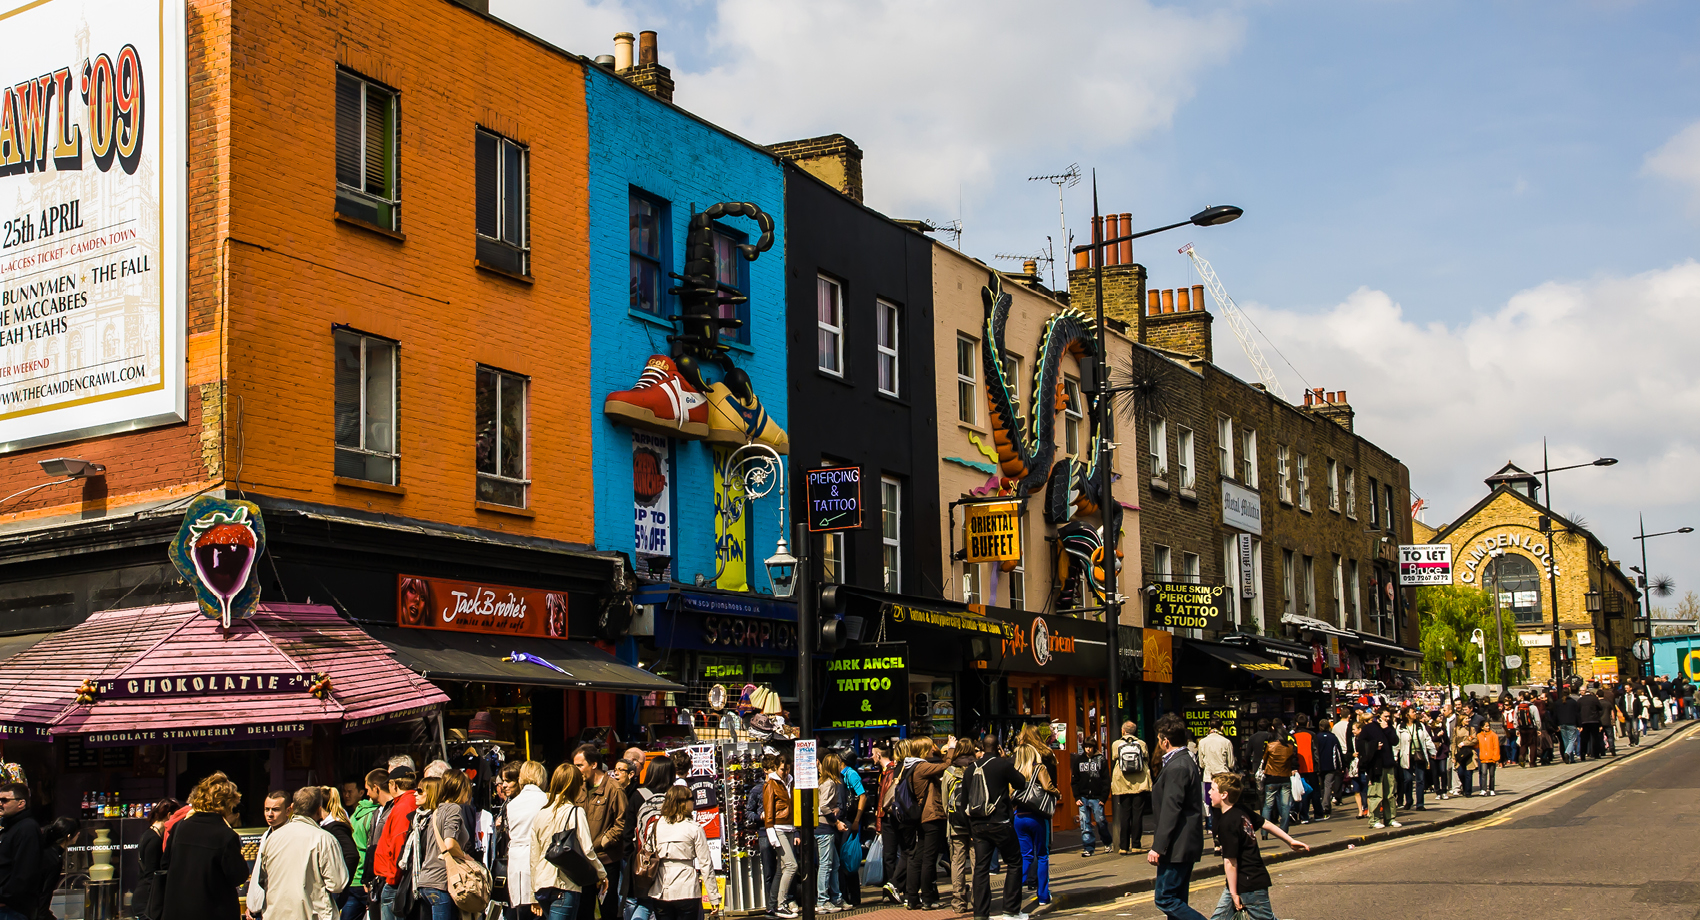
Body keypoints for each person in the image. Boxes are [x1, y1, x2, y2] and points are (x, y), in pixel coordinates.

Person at [1207, 773, 1309, 920]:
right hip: (1240, 881)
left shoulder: (1227, 823)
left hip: (1249, 883)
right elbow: (1265, 823)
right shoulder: (1240, 810)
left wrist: (1235, 894)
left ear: (1224, 795)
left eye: (1212, 789)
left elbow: (1230, 862)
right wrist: (1290, 841)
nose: (1209, 792)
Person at [251, 786, 349, 920]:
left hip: (275, 914)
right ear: (319, 810)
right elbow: (337, 884)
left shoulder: (272, 838)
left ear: (292, 807)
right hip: (311, 914)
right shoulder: (324, 839)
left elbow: (263, 879)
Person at [162, 773, 248, 920]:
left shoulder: (180, 827)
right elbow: (238, 876)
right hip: (212, 912)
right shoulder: (226, 835)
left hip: (177, 911)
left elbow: (165, 863)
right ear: (227, 804)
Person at [1147, 714, 1206, 920]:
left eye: (1158, 738)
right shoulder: (1183, 761)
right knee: (1178, 900)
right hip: (1181, 843)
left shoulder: (1178, 766)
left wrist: (1158, 846)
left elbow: (1172, 808)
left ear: (1165, 740)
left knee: (1165, 898)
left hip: (1177, 845)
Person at [532, 762, 608, 920]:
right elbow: (587, 849)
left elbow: (534, 856)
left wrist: (533, 890)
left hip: (542, 885)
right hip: (564, 884)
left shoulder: (540, 813)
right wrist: (601, 874)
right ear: (575, 786)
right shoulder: (575, 812)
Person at [964, 733, 1024, 920]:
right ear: (998, 748)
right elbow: (1020, 782)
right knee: (1014, 862)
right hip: (1000, 823)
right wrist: (1006, 760)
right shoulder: (1003, 765)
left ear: (982, 748)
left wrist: (970, 829)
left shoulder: (970, 769)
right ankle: (1011, 911)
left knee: (981, 868)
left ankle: (980, 914)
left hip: (978, 826)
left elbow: (964, 802)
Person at [640, 787, 718, 920]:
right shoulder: (694, 828)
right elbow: (706, 864)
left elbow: (648, 853)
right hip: (686, 887)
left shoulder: (656, 826)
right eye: (691, 799)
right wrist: (714, 898)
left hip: (661, 888)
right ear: (683, 802)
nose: (693, 802)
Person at [572, 745, 629, 920]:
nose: (577, 770)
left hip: (606, 858)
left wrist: (604, 841)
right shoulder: (578, 788)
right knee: (584, 909)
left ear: (594, 764)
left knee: (608, 909)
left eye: (580, 765)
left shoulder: (613, 789)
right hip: (583, 859)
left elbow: (622, 822)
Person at [416, 769, 475, 920]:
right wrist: (466, 857)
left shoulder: (437, 810)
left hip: (426, 881)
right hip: (441, 882)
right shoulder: (453, 809)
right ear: (461, 789)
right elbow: (449, 843)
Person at [903, 737, 949, 910]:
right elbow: (946, 765)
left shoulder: (910, 766)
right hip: (931, 816)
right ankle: (928, 898)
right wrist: (950, 748)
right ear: (924, 750)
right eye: (931, 747)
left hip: (921, 816)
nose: (934, 748)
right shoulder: (922, 766)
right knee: (929, 859)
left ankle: (913, 897)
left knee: (918, 857)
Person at [1012, 742, 1058, 908]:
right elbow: (1047, 786)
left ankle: (1014, 893)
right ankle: (1043, 896)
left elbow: (1010, 794)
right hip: (1037, 817)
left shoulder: (1015, 770)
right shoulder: (1040, 768)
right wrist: (1057, 793)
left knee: (1025, 856)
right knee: (1042, 855)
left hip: (1019, 818)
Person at [505, 761, 550, 917]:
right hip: (538, 860)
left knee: (521, 912)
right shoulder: (546, 800)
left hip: (517, 861)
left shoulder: (512, 804)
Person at [373, 766, 418, 920]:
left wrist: (392, 879)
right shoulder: (408, 802)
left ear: (394, 785)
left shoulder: (403, 806)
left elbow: (399, 844)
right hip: (398, 879)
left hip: (395, 881)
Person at [761, 753, 800, 919]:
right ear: (776, 768)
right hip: (778, 827)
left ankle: (772, 906)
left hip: (789, 827)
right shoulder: (771, 784)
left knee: (782, 869)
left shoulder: (790, 781)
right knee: (791, 865)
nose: (785, 772)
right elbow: (769, 810)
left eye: (787, 768)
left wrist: (796, 828)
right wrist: (771, 833)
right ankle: (781, 904)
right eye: (782, 769)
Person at [942, 738, 977, 916]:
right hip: (976, 823)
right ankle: (978, 899)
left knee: (957, 863)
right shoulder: (977, 768)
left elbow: (944, 803)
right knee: (978, 862)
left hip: (956, 824)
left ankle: (958, 902)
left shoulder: (949, 772)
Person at [246, 789, 293, 916]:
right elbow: (258, 872)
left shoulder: (292, 837)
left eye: (276, 809)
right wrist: (252, 904)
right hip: (259, 909)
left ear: (288, 811)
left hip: (279, 910)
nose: (270, 814)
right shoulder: (266, 835)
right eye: (267, 809)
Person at [1109, 721, 1152, 855]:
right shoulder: (1141, 744)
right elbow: (1146, 759)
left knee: (1125, 813)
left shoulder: (1116, 744)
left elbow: (1114, 758)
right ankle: (1136, 845)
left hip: (1122, 782)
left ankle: (1123, 846)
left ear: (1123, 731)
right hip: (1139, 782)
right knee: (1137, 814)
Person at [813, 754, 848, 913]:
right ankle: (822, 900)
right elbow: (824, 806)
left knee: (834, 864)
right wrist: (836, 821)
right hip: (825, 827)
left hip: (824, 827)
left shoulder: (825, 782)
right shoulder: (830, 783)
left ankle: (836, 898)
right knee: (826, 864)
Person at [832, 751, 867, 908]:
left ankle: (853, 896)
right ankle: (848, 895)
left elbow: (862, 796)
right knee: (844, 858)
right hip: (847, 820)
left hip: (850, 820)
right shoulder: (842, 774)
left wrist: (857, 820)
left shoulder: (851, 774)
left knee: (848, 858)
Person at [317, 786, 360, 915]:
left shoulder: (335, 827)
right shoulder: (328, 825)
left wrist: (341, 884)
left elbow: (352, 855)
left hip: (335, 890)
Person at [135, 798, 180, 920]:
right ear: (169, 815)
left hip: (143, 894)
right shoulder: (154, 840)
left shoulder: (148, 834)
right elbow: (151, 874)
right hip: (147, 900)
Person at [872, 742, 904, 903]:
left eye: (873, 754)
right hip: (889, 818)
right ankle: (892, 887)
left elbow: (884, 801)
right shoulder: (885, 772)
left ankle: (893, 887)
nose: (871, 757)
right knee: (892, 855)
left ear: (878, 755)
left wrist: (879, 823)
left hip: (890, 818)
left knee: (891, 855)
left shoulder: (890, 773)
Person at [1357, 707, 1399, 829]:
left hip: (1388, 764)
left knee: (1389, 794)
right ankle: (1374, 820)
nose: (1387, 719)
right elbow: (1360, 745)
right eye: (1385, 716)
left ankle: (1390, 819)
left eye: (1389, 716)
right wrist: (1374, 746)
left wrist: (1387, 729)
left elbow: (1395, 741)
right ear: (1378, 716)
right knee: (1375, 794)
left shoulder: (1388, 727)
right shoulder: (1369, 728)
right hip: (1375, 766)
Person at [1071, 737, 1112, 857]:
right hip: (1083, 796)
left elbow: (1106, 780)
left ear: (1094, 747)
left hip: (1097, 796)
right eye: (1086, 747)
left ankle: (1107, 842)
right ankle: (1088, 847)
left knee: (1100, 821)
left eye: (1090, 747)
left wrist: (1103, 798)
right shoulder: (1079, 760)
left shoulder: (1101, 760)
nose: (1088, 749)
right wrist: (1077, 797)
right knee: (1085, 823)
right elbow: (1074, 780)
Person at [34, 817, 77, 919]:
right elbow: (45, 892)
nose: (78, 835)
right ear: (69, 836)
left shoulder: (46, 851)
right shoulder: (54, 860)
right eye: (77, 833)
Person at [1257, 727, 1295, 840]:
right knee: (1285, 806)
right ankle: (1283, 832)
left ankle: (1264, 833)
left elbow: (1265, 760)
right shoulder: (1290, 747)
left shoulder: (1270, 746)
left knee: (1268, 806)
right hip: (1285, 778)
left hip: (1271, 778)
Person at [1309, 719, 1341, 821]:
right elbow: (1337, 752)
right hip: (1331, 765)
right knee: (1328, 786)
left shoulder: (1316, 737)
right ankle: (1325, 806)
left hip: (1318, 765)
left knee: (1320, 787)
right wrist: (1341, 766)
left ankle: (1320, 805)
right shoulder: (1333, 738)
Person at [1289, 716, 1317, 825]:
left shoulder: (1292, 736)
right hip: (1310, 766)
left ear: (1296, 723)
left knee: (1298, 792)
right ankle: (1307, 814)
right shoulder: (1311, 735)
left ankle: (1297, 813)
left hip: (1297, 768)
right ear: (1307, 723)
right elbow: (1315, 752)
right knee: (1310, 791)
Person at [1452, 715, 1478, 797]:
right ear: (1461, 720)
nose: (1468, 720)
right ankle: (1464, 786)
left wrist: (1464, 743)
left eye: (1468, 718)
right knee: (1460, 772)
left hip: (1469, 753)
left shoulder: (1471, 729)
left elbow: (1475, 740)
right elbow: (1454, 743)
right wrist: (1453, 756)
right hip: (1459, 754)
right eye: (1466, 718)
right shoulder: (1456, 729)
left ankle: (1468, 792)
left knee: (1468, 773)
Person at [1476, 722, 1501, 795]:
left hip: (1492, 758)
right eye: (1486, 726)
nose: (1488, 727)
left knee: (1492, 774)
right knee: (1483, 773)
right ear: (1482, 727)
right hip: (1483, 757)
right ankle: (1483, 789)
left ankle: (1491, 789)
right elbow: (1476, 745)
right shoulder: (1479, 735)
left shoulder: (1493, 735)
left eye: (1488, 726)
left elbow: (1496, 747)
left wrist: (1496, 757)